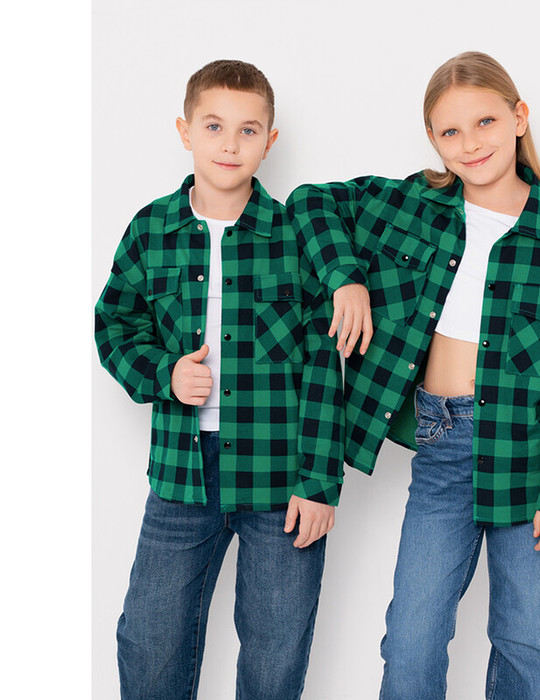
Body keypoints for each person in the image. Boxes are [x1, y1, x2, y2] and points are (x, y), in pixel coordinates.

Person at [287, 51, 540, 699]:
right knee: (412, 634)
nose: (470, 143)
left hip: (528, 457)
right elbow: (310, 200)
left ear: (518, 118)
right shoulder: (412, 205)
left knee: (522, 635)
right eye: (451, 131)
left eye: (485, 122)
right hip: (442, 444)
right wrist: (345, 276)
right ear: (432, 138)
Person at [94, 59, 363, 700]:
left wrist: (320, 482)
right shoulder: (151, 229)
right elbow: (114, 326)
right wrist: (165, 373)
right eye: (214, 126)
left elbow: (323, 366)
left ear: (270, 141)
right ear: (185, 131)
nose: (230, 144)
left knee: (275, 653)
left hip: (281, 478)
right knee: (149, 639)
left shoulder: (296, 236)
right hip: (182, 474)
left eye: (248, 130)